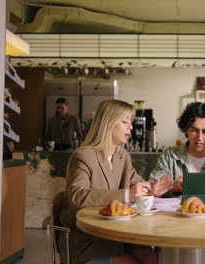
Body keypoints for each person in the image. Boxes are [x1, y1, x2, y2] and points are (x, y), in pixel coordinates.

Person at [59, 99, 156, 264]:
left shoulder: (122, 157)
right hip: (90, 243)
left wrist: (154, 188)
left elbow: (138, 184)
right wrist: (127, 194)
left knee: (154, 258)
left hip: (119, 236)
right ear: (109, 124)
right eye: (125, 122)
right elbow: (78, 197)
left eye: (130, 122)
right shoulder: (83, 156)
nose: (130, 127)